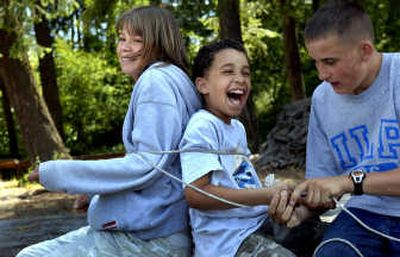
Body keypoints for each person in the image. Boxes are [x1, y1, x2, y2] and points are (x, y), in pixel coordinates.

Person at [17, 6, 201, 257]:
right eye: (122, 38)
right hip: (163, 228)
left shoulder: (154, 82)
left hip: (151, 238)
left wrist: (58, 172)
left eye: (137, 41)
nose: (125, 48)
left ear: (159, 43)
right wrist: (95, 190)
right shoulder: (177, 79)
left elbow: (148, 164)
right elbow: (163, 164)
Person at [269, 1, 400, 256]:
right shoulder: (322, 98)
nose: (322, 74)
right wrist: (300, 211)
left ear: (365, 50)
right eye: (316, 62)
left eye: (329, 61)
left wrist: (348, 182)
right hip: (363, 215)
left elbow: (341, 183)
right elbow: (325, 186)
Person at [179, 39, 296, 257]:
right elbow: (196, 194)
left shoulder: (236, 127)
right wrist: (264, 195)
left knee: (322, 235)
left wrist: (281, 194)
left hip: (258, 223)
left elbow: (238, 179)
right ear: (202, 85)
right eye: (228, 72)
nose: (240, 79)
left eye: (246, 73)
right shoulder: (202, 126)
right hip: (228, 242)